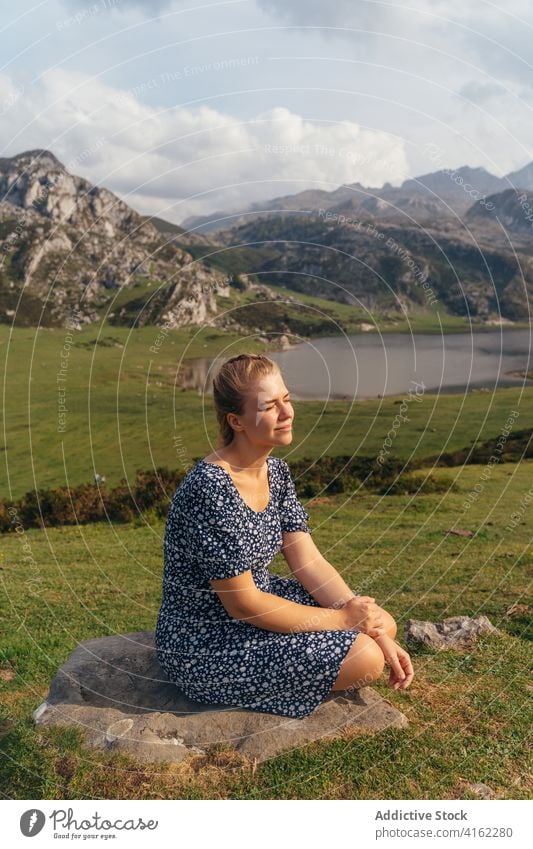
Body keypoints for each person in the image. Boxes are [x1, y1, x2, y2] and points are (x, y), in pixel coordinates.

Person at [155, 353, 413, 719]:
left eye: (287, 400)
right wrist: (342, 622)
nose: (288, 412)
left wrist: (366, 622)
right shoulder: (209, 487)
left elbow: (308, 562)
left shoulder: (275, 472)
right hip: (207, 641)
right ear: (237, 421)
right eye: (270, 406)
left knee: (383, 622)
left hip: (262, 603)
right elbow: (241, 604)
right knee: (365, 658)